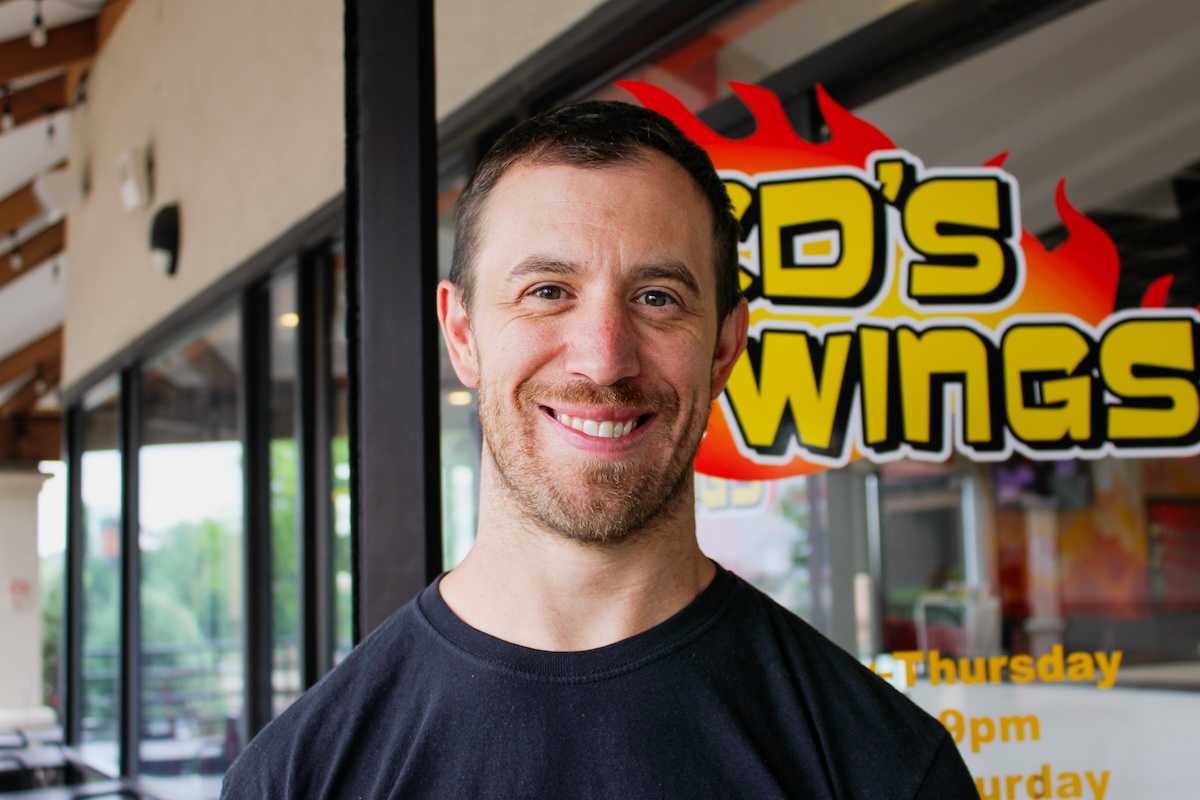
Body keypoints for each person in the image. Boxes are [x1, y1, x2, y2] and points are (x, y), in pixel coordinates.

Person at [222, 101, 977, 798]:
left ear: (723, 347)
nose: (604, 358)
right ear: (462, 335)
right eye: (548, 290)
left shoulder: (886, 769)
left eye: (658, 298)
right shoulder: (299, 778)